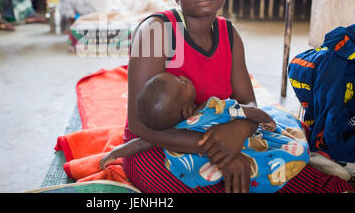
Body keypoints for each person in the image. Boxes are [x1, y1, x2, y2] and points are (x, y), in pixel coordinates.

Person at [123, 0, 353, 193]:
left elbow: (249, 103)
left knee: (297, 178)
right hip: (157, 142)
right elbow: (139, 123)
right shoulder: (157, 30)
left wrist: (239, 130)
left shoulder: (229, 35)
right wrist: (223, 152)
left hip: (217, 131)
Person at [101, 72, 310, 192]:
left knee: (285, 152)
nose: (183, 76)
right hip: (225, 153)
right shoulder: (210, 108)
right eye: (183, 83)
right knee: (256, 168)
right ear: (187, 110)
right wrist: (115, 153)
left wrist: (266, 119)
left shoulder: (202, 113)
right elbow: (144, 141)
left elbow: (247, 112)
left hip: (244, 139)